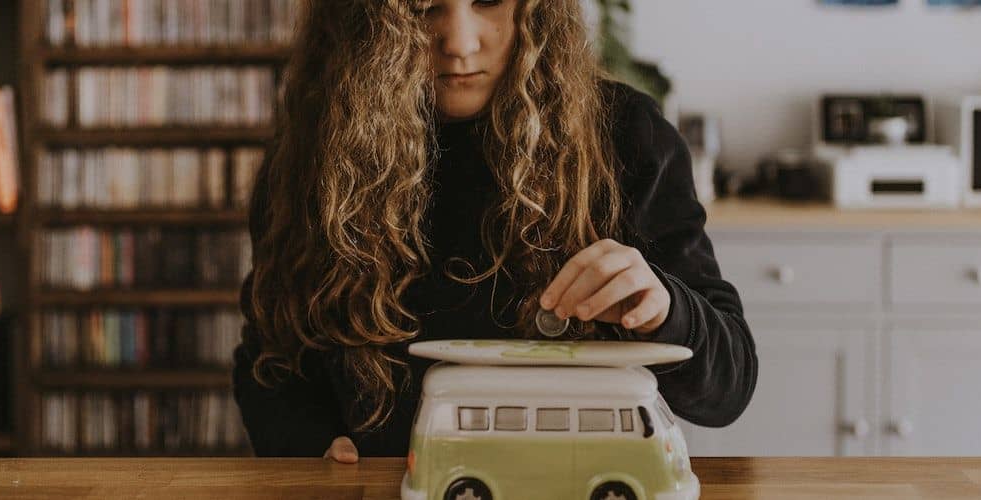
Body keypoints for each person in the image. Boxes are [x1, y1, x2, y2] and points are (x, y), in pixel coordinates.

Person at [233, 0, 758, 463]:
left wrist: (666, 309)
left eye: (488, 1)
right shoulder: (313, 155)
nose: (459, 43)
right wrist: (303, 443)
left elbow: (729, 389)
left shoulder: (629, 138)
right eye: (422, 8)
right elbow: (271, 358)